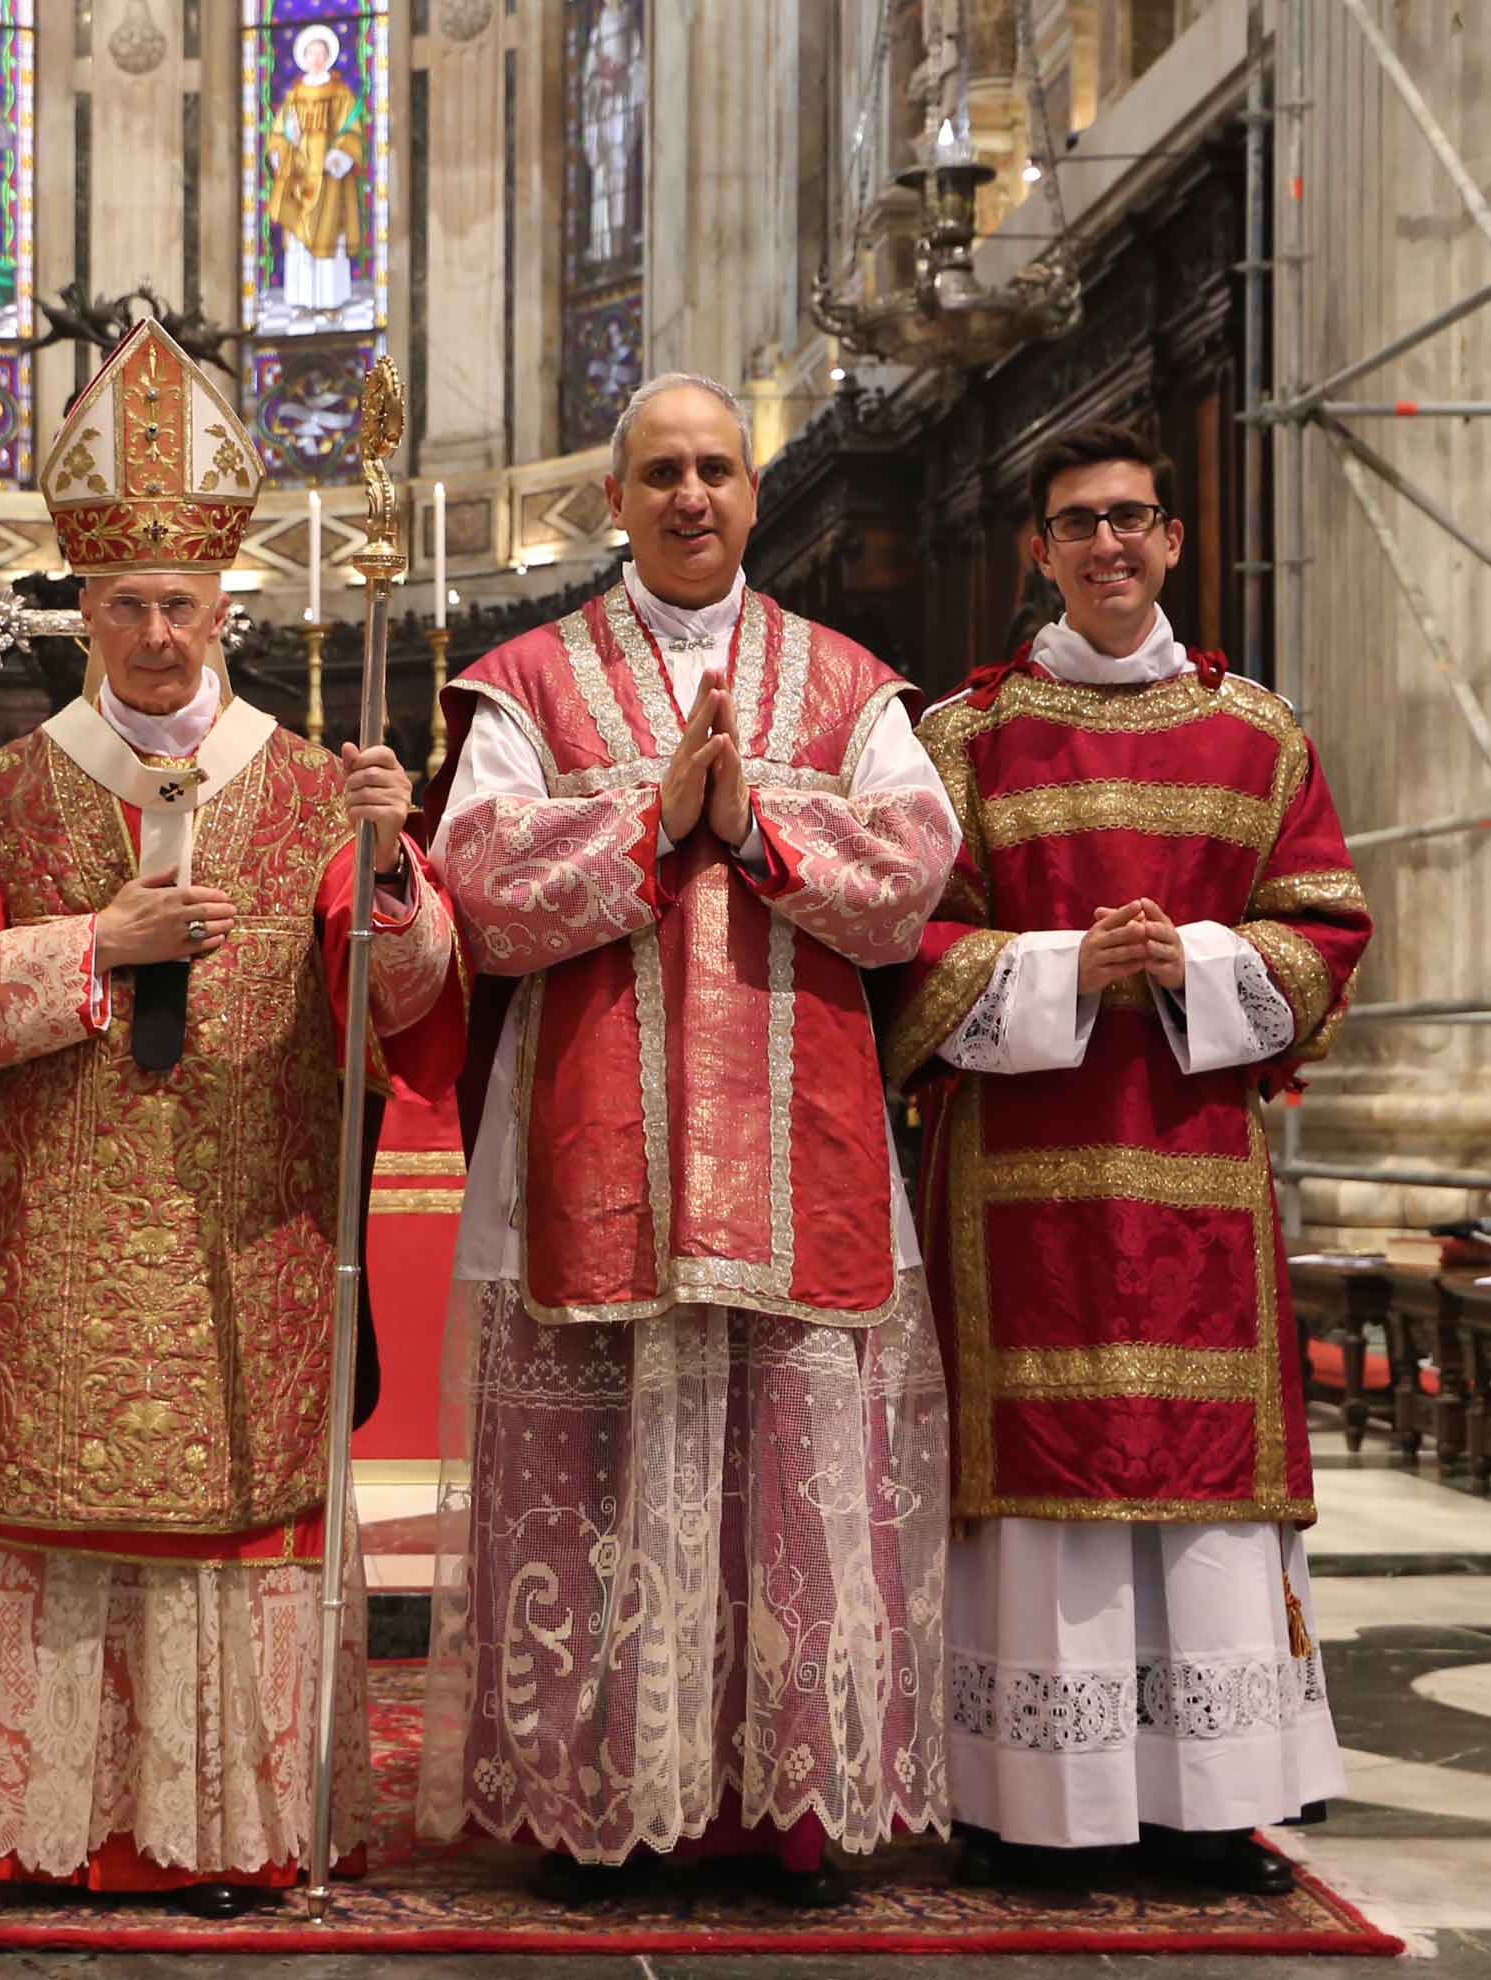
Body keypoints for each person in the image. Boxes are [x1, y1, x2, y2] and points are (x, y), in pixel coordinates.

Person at [0, 319, 467, 1917]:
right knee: (67, 1524)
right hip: (47, 1230)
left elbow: (398, 1000)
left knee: (229, 1513)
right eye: (121, 602)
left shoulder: (314, 783)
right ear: (81, 606)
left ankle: (230, 1831)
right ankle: (41, 1824)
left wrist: (394, 869)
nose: (151, 630)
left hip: (241, 1232)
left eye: (178, 603)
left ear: (222, 606)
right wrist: (92, 950)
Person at [417, 373, 958, 1907]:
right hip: (596, 1132)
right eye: (658, 472)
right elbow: (479, 885)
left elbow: (912, 874)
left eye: (714, 468)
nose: (688, 496)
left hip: (805, 1140)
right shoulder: (529, 678)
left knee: (789, 1468)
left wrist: (758, 832)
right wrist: (651, 825)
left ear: (753, 492)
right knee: (592, 1477)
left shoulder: (848, 684)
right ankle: (601, 1801)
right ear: (613, 502)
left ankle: (784, 1809)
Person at [883, 421, 1370, 1895]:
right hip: (1017, 1194)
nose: (1108, 544)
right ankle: (1032, 1803)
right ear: (1037, 548)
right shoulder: (960, 741)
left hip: (1195, 1173)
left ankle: (1214, 1798)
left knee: (1200, 1484)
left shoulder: (1259, 733)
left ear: (1171, 542)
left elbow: (1326, 927)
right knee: (1032, 1491)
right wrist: (1058, 971)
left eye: (1133, 520)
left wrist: (1198, 961)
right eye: (1078, 522)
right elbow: (903, 948)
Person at [263, 23, 369, 322]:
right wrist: (283, 146)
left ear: (329, 56)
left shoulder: (341, 92)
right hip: (298, 173)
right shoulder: (295, 94)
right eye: (311, 53)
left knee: (329, 235)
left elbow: (352, 132)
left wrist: (338, 157)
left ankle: (330, 300)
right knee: (300, 235)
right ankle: (302, 298)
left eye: (321, 52)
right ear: (304, 57)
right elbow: (279, 133)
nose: (316, 58)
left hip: (328, 175)